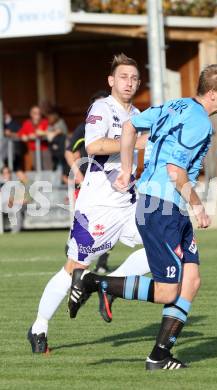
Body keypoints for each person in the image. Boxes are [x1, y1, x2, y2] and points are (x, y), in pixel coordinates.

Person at [68, 64, 217, 370]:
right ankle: (96, 282)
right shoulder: (200, 122)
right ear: (213, 94)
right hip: (162, 207)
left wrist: (126, 168)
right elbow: (175, 171)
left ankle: (159, 356)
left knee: (191, 280)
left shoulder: (176, 105)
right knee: (167, 291)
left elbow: (132, 125)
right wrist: (198, 205)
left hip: (164, 204)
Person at [27, 53, 150, 354]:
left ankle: (107, 286)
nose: (129, 82)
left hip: (127, 201)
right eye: (123, 77)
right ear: (111, 81)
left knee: (164, 245)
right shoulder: (102, 108)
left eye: (134, 78)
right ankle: (39, 326)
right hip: (97, 204)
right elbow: (94, 146)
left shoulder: (137, 112)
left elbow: (138, 153)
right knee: (75, 267)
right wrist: (135, 142)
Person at [65, 90, 110, 273]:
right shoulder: (84, 128)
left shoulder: (119, 127)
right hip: (87, 184)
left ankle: (101, 262)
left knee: (107, 224)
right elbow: (69, 151)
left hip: (110, 185)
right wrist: (78, 174)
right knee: (85, 223)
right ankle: (76, 255)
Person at [17, 106, 51, 171]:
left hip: (44, 149)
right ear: (31, 114)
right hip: (33, 151)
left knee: (48, 169)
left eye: (39, 113)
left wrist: (35, 135)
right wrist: (23, 136)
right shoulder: (27, 123)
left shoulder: (45, 122)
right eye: (35, 113)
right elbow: (20, 133)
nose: (37, 115)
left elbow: (48, 132)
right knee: (36, 169)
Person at [46, 108, 69, 177]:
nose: (49, 118)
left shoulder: (60, 122)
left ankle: (65, 178)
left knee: (64, 163)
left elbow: (60, 131)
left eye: (50, 117)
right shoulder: (50, 125)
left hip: (63, 147)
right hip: (55, 149)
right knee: (56, 163)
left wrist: (52, 134)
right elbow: (47, 132)